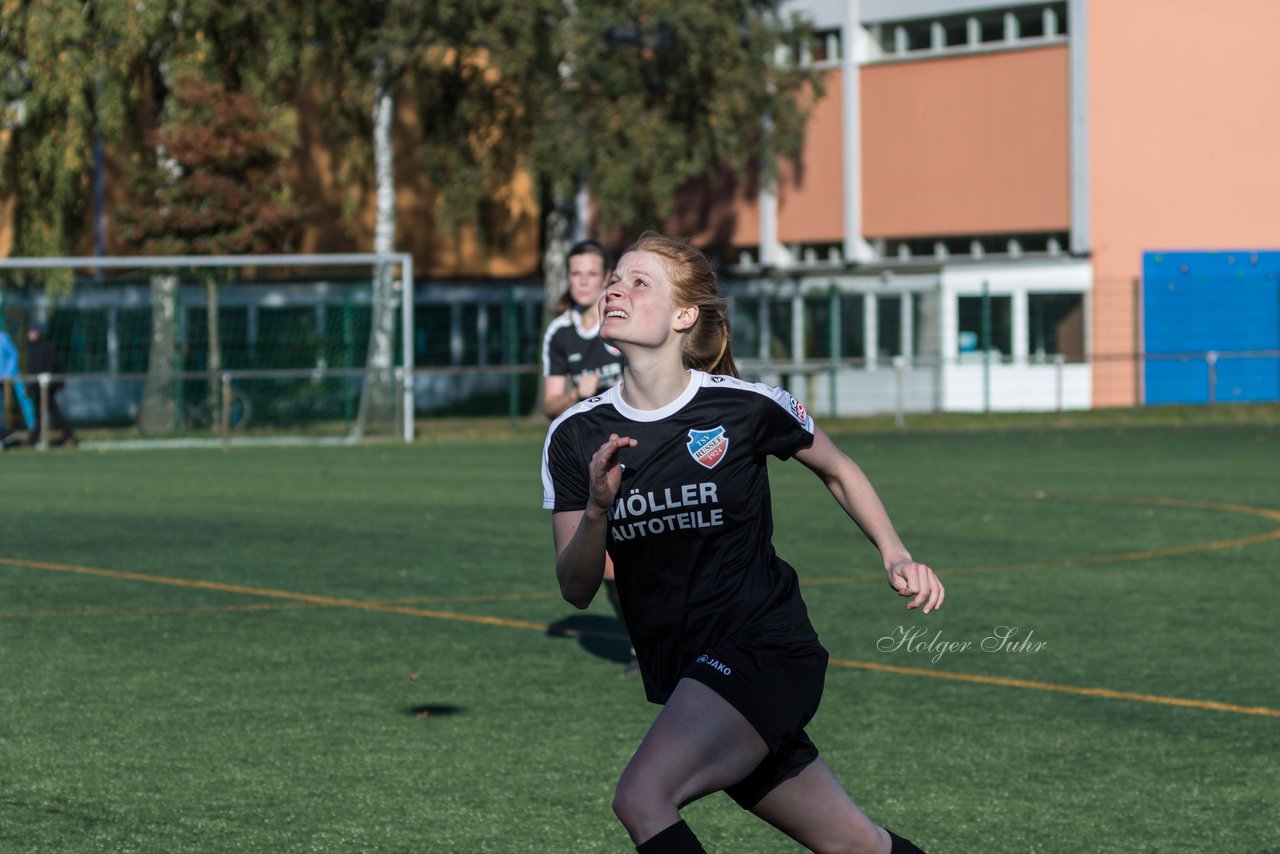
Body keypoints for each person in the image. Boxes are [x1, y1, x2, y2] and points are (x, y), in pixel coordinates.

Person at [541, 233, 943, 853]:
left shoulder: (746, 407)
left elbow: (839, 468)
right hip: (689, 678)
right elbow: (576, 587)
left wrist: (895, 553)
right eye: (614, 279)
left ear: (684, 316)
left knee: (642, 797)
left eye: (638, 281)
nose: (615, 289)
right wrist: (597, 510)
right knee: (856, 845)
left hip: (765, 649)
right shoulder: (575, 435)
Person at [541, 239, 637, 672]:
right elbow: (549, 403)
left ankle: (656, 638)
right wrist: (576, 396)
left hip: (634, 452)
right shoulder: (559, 333)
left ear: (605, 279)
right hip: (583, 460)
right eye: (575, 274)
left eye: (590, 274)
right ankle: (644, 639)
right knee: (605, 564)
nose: (582, 282)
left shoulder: (624, 324)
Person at [25, 322, 77, 448]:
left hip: (47, 387)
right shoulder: (34, 348)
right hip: (39, 388)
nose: (29, 334)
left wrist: (50, 383)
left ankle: (69, 437)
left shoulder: (46, 347)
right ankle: (33, 439)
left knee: (52, 414)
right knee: (41, 414)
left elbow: (50, 368)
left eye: (32, 331)